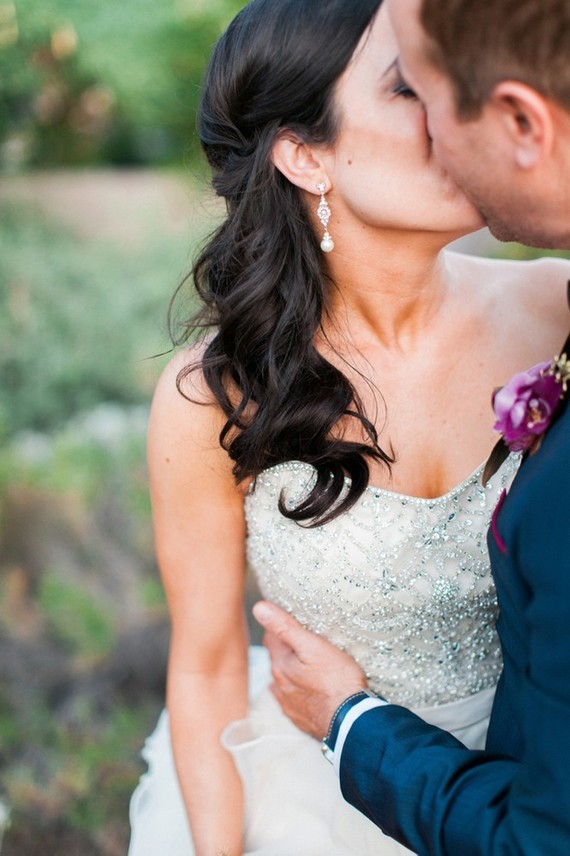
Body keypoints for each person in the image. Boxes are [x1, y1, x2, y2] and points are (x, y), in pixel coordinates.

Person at [127, 1, 570, 854]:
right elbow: (209, 665)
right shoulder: (212, 397)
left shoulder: (555, 308)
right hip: (321, 805)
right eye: (410, 88)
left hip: (537, 780)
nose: (453, 114)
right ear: (303, 154)